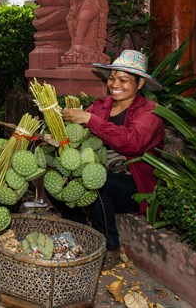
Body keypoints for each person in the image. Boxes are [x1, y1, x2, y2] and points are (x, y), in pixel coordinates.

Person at [61, 49, 165, 267]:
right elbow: (79, 134)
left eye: (124, 80)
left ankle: (111, 247)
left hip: (134, 185)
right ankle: (80, 231)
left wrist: (89, 119)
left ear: (140, 84)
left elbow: (132, 142)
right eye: (112, 78)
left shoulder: (151, 112)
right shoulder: (101, 106)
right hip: (102, 170)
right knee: (61, 175)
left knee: (99, 182)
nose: (115, 84)